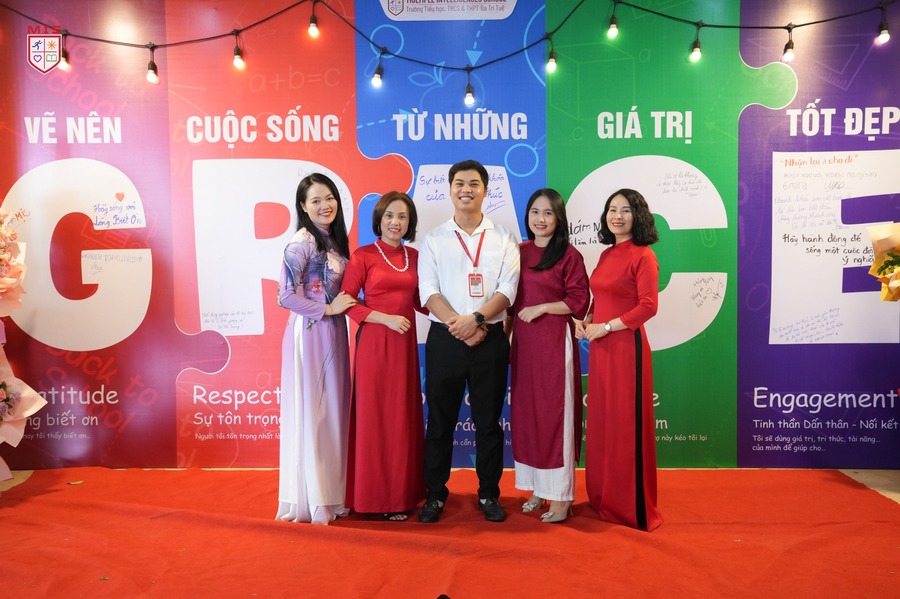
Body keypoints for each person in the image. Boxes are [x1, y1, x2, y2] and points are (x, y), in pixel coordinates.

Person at [417, 159, 520, 523]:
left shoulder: (504, 237)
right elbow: (428, 291)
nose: (466, 189)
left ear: (485, 190)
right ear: (450, 190)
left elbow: (508, 290)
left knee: (488, 423)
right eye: (459, 183)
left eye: (474, 184)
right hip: (445, 339)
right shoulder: (434, 239)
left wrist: (475, 320)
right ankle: (435, 495)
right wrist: (459, 325)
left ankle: (489, 493)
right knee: (439, 422)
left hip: (489, 338)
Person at [575, 188, 663, 531]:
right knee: (603, 424)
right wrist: (588, 318)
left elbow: (648, 306)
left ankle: (629, 505)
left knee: (625, 426)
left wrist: (607, 326)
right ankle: (604, 497)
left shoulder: (644, 256)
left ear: (637, 216)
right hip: (601, 348)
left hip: (627, 349)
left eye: (626, 210)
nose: (618, 216)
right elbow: (601, 297)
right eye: (612, 209)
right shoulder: (607, 254)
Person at [276, 172, 357, 525]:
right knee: (315, 412)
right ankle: (314, 499)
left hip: (334, 331)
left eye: (330, 198)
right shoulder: (302, 241)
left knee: (332, 412)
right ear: (303, 206)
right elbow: (285, 296)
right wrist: (326, 309)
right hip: (310, 332)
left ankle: (333, 495)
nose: (325, 205)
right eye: (316, 200)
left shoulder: (334, 241)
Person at [341, 191, 426, 521]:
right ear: (379, 219)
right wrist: (385, 318)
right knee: (375, 418)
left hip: (404, 347)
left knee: (400, 418)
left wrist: (457, 315)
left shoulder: (414, 256)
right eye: (390, 215)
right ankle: (371, 497)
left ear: (410, 221)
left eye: (402, 216)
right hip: (374, 346)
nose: (396, 222)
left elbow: (421, 301)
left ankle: (399, 497)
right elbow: (346, 302)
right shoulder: (363, 255)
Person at [509, 188, 589, 524]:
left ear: (559, 218)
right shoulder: (518, 252)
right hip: (523, 346)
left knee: (555, 416)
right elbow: (509, 300)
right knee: (529, 417)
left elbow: (579, 300)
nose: (540, 219)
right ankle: (537, 489)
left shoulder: (568, 254)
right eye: (535, 212)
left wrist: (542, 307)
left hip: (554, 344)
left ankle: (562, 497)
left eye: (548, 213)